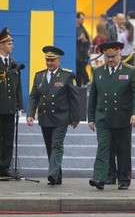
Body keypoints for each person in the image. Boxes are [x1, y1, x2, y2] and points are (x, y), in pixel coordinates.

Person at [88, 41, 135, 190]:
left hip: (122, 118)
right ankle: (101, 177)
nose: (110, 60)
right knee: (103, 148)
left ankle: (124, 179)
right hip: (103, 118)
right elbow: (93, 97)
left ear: (120, 54)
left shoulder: (130, 71)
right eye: (108, 56)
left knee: (123, 150)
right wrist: (91, 118)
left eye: (113, 56)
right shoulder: (98, 72)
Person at [26, 46, 80, 185]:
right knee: (50, 146)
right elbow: (33, 97)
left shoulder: (67, 75)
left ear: (59, 60)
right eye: (47, 60)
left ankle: (51, 174)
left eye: (52, 60)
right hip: (45, 117)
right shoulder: (39, 76)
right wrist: (30, 114)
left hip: (61, 117)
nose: (49, 63)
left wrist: (75, 117)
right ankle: (57, 175)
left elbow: (74, 98)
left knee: (56, 145)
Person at [0, 27, 23, 178]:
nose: (12, 46)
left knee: (8, 138)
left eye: (12, 43)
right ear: (1, 45)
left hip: (9, 108)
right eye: (9, 43)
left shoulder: (14, 64)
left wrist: (19, 106)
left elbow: (17, 87)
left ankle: (5, 167)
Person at [76, 12, 91, 87]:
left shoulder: (83, 28)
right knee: (78, 71)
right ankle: (86, 82)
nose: (83, 20)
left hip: (83, 54)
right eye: (82, 18)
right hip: (76, 54)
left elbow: (88, 41)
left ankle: (85, 82)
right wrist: (79, 39)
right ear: (77, 19)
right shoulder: (73, 29)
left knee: (82, 70)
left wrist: (84, 40)